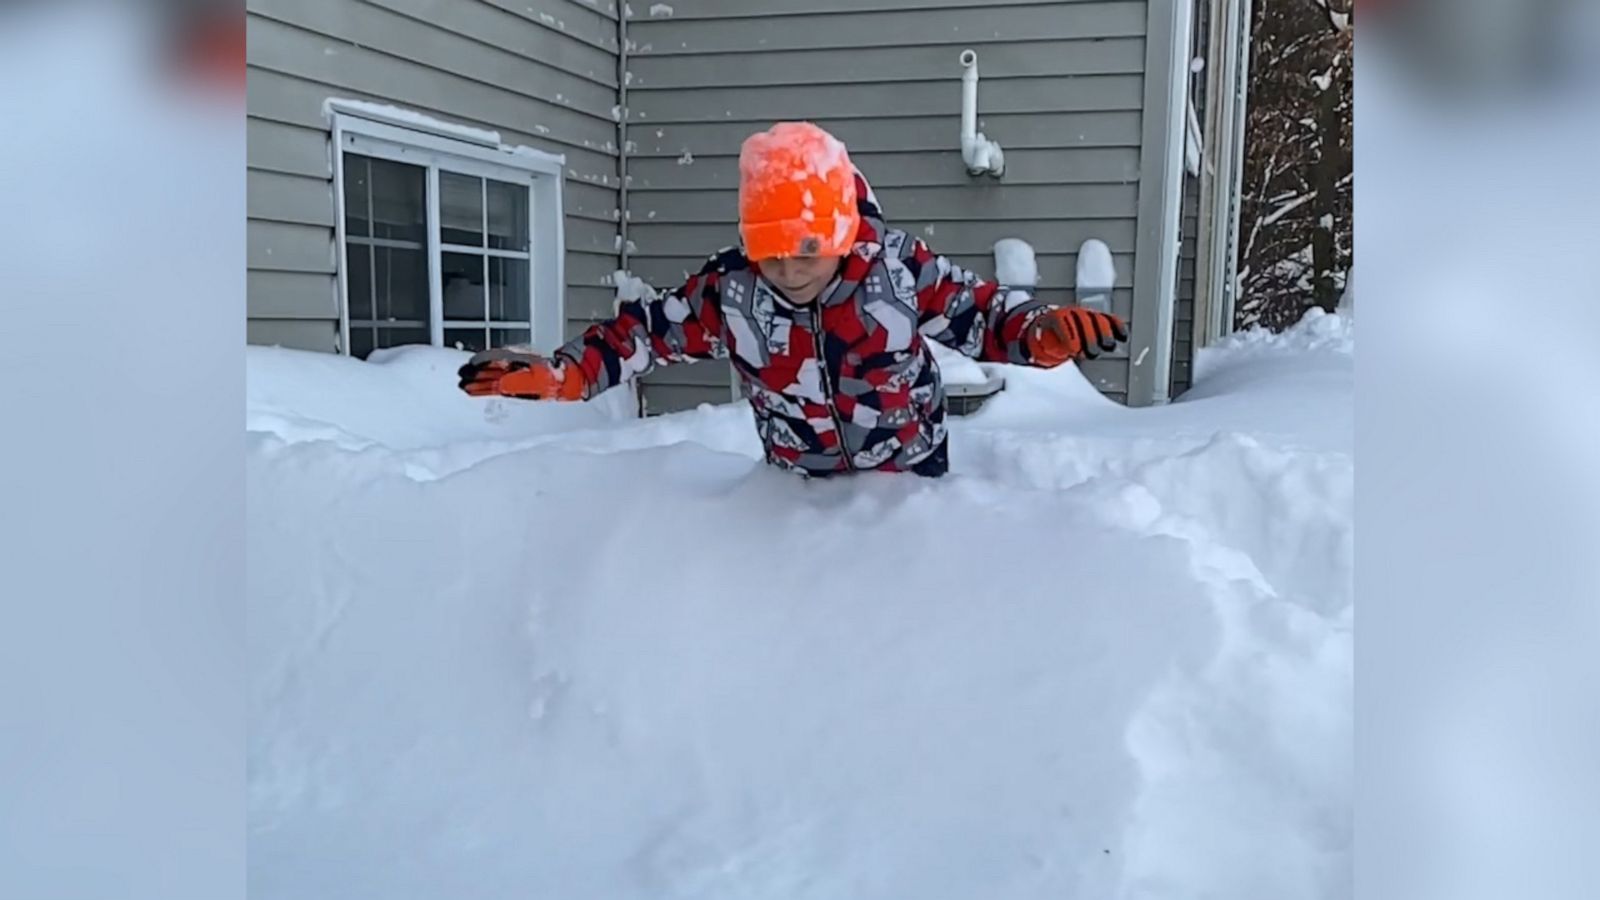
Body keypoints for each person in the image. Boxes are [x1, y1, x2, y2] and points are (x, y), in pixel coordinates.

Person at [457, 121, 1128, 478]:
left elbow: (982, 315)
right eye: (767, 247)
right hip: (795, 495)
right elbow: (646, 334)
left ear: (839, 229)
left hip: (911, 490)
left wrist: (1040, 330)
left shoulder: (896, 271)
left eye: (805, 245)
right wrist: (567, 373)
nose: (786, 266)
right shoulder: (733, 293)